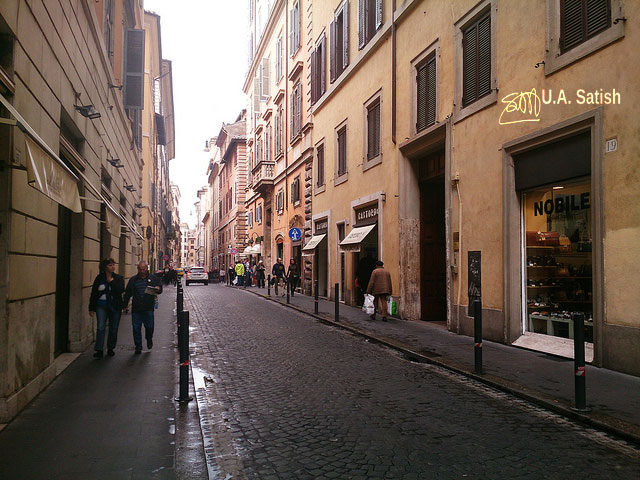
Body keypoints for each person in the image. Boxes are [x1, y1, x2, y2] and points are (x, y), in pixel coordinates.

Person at [122, 261, 163, 354]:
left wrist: (158, 288)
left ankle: (149, 339)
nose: (142, 271)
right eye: (140, 269)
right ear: (138, 269)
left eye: (144, 269)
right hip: (136, 308)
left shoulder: (153, 279)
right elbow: (128, 293)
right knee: (136, 328)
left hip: (148, 307)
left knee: (149, 327)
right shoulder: (133, 280)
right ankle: (138, 346)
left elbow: (160, 289)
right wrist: (124, 305)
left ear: (147, 269)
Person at [89, 258, 125, 358]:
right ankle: (99, 349)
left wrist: (112, 282)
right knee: (100, 327)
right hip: (101, 306)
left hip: (115, 306)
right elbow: (94, 293)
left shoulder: (118, 278)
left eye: (113, 264)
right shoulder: (99, 278)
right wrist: (91, 308)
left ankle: (110, 348)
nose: (113, 267)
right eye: (110, 265)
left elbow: (120, 290)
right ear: (105, 267)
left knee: (113, 328)